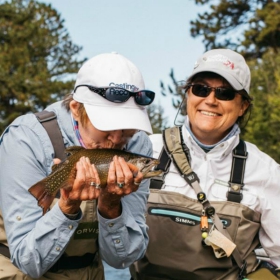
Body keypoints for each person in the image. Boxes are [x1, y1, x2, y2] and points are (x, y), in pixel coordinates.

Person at [0, 52, 156, 280]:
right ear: (76, 108)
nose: (116, 138)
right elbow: (28, 262)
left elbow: (122, 259)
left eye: (127, 129)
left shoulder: (139, 145)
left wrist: (112, 207)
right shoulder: (26, 139)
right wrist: (67, 207)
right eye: (107, 126)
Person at [131, 49, 280, 280]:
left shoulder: (267, 172)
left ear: (243, 106)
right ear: (188, 95)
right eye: (200, 89)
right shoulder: (144, 150)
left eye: (225, 93)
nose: (210, 100)